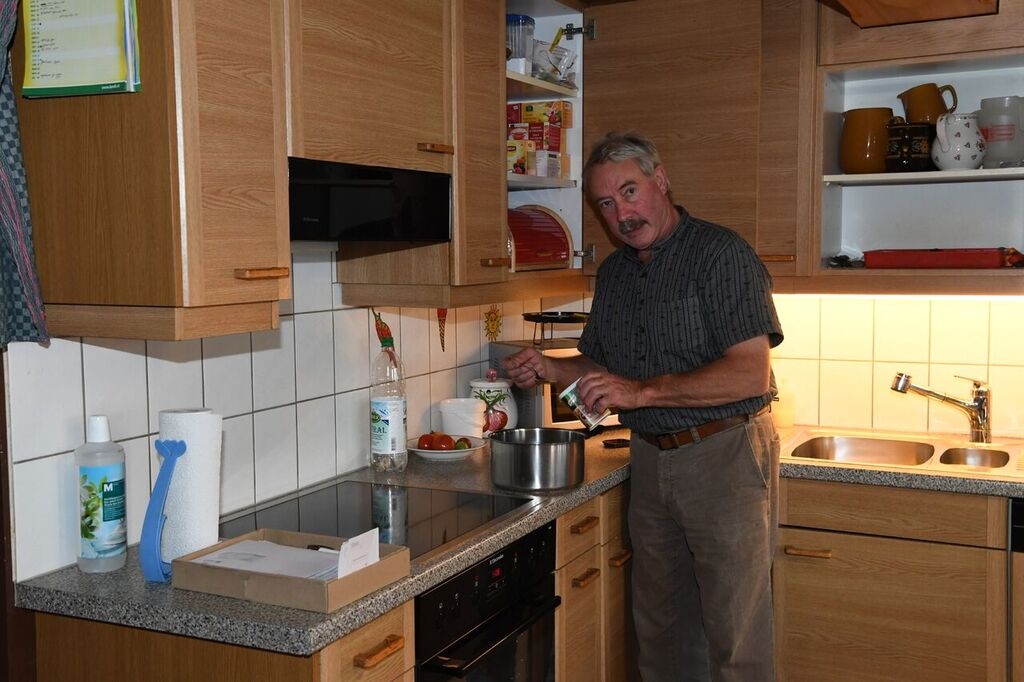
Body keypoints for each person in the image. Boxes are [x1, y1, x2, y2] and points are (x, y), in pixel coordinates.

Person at [502, 131, 783, 682]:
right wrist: (550, 369)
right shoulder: (615, 273)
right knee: (661, 636)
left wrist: (641, 392)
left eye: (629, 192)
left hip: (724, 457)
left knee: (735, 638)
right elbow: (599, 366)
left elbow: (750, 372)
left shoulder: (721, 254)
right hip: (651, 461)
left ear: (661, 180)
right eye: (606, 203)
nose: (622, 215)